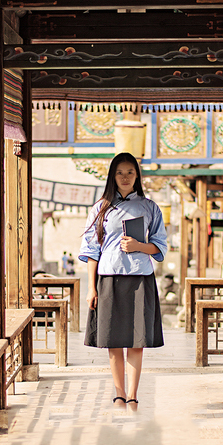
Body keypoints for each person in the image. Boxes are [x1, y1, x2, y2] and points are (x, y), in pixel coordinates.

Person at [79, 152, 167, 412]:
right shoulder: (101, 208)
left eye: (130, 172)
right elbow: (91, 250)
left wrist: (140, 245)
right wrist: (91, 287)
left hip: (141, 280)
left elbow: (160, 246)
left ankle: (133, 395)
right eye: (120, 172)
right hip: (109, 279)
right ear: (112, 176)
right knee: (114, 340)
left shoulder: (150, 207)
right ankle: (118, 394)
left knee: (136, 341)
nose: (125, 177)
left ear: (137, 175)